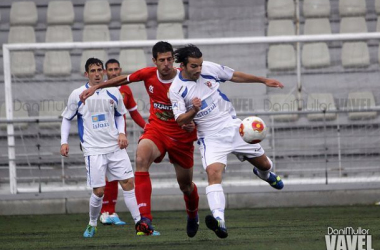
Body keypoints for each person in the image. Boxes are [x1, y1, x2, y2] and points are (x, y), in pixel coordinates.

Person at [79, 42, 200, 237]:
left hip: (181, 137)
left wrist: (194, 123)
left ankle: (193, 214)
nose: (167, 63)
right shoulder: (148, 74)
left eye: (170, 59)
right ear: (155, 61)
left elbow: (204, 107)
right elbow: (121, 80)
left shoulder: (187, 79)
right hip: (157, 130)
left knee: (186, 186)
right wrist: (97, 87)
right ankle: (145, 220)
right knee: (141, 156)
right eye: (162, 60)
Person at [169, 44, 285, 239]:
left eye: (200, 65)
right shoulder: (176, 89)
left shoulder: (209, 69)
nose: (199, 69)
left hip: (233, 127)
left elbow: (235, 76)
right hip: (210, 137)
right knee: (213, 173)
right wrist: (194, 111)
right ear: (182, 66)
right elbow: (180, 119)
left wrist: (263, 80)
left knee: (265, 164)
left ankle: (264, 174)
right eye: (194, 66)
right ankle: (219, 221)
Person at [60, 58, 151, 238]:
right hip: (93, 150)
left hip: (115, 147)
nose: (96, 74)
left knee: (128, 183)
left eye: (99, 70)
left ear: (103, 72)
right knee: (99, 191)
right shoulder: (77, 94)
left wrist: (122, 133)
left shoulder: (113, 91)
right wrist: (64, 142)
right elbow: (66, 118)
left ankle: (139, 224)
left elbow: (119, 115)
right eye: (92, 71)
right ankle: (92, 223)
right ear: (86, 74)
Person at [99, 59, 146, 226]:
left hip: (120, 140)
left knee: (117, 177)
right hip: (103, 140)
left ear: (120, 70)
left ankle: (110, 211)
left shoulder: (125, 89)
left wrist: (147, 127)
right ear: (105, 72)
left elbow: (134, 113)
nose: (113, 72)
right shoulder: (100, 89)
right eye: (110, 70)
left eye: (116, 69)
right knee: (106, 177)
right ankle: (105, 212)